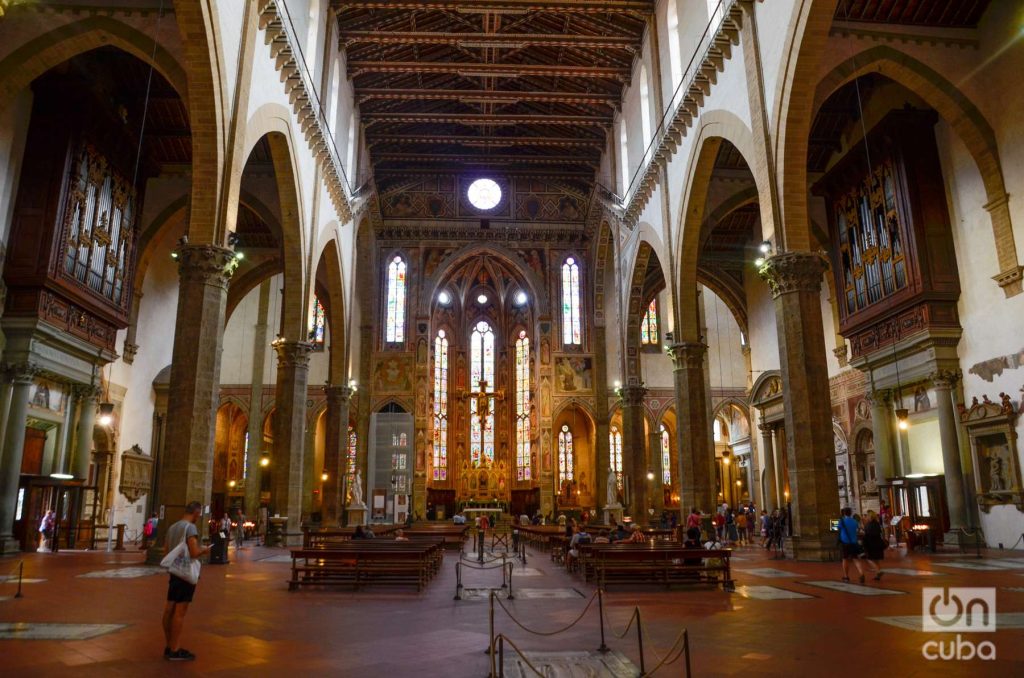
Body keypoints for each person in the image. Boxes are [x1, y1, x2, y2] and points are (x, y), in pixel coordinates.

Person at [162, 501, 210, 661]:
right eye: (199, 514)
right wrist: (204, 549)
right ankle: (175, 649)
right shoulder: (190, 528)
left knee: (169, 608)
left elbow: (166, 551)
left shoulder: (173, 527)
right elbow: (195, 552)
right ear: (195, 513)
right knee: (180, 612)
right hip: (185, 574)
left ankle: (169, 645)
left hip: (175, 572)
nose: (199, 517)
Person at [837, 507, 866, 583]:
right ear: (850, 513)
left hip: (845, 543)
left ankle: (846, 576)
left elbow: (838, 529)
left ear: (843, 513)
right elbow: (858, 529)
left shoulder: (842, 521)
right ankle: (861, 573)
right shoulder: (854, 521)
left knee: (845, 559)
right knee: (856, 559)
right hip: (854, 542)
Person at [861, 510, 886, 581]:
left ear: (870, 517)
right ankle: (878, 574)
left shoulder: (869, 525)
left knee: (869, 559)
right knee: (876, 559)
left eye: (867, 516)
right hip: (878, 543)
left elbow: (866, 534)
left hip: (871, 544)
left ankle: (879, 571)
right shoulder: (877, 524)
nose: (866, 517)